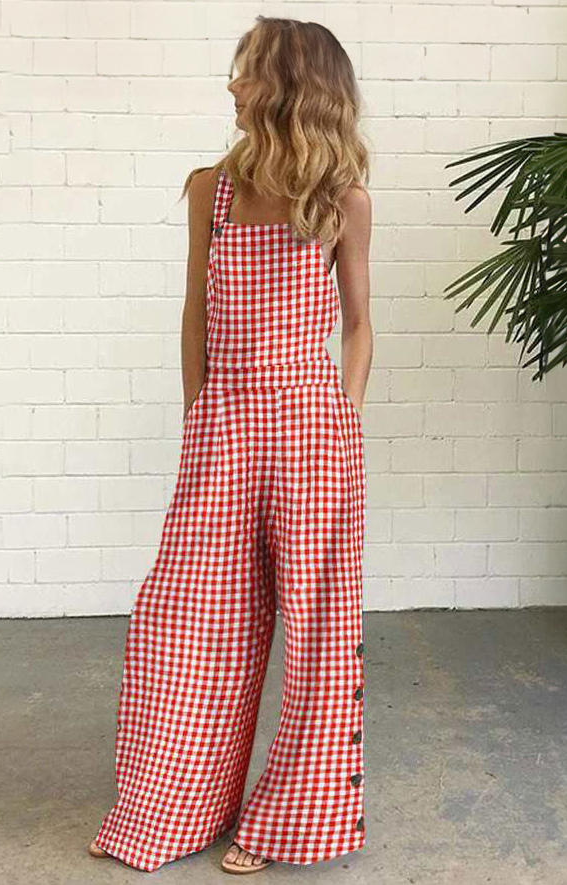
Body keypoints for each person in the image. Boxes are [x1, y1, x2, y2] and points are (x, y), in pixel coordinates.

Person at [88, 15, 372, 875]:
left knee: (318, 631)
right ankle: (173, 806)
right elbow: (195, 312)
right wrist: (197, 417)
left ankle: (289, 822)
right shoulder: (211, 189)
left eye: (247, 72)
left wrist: (345, 420)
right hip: (225, 423)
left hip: (312, 428)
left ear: (291, 88)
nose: (232, 86)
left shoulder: (342, 201)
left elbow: (360, 326)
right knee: (186, 618)